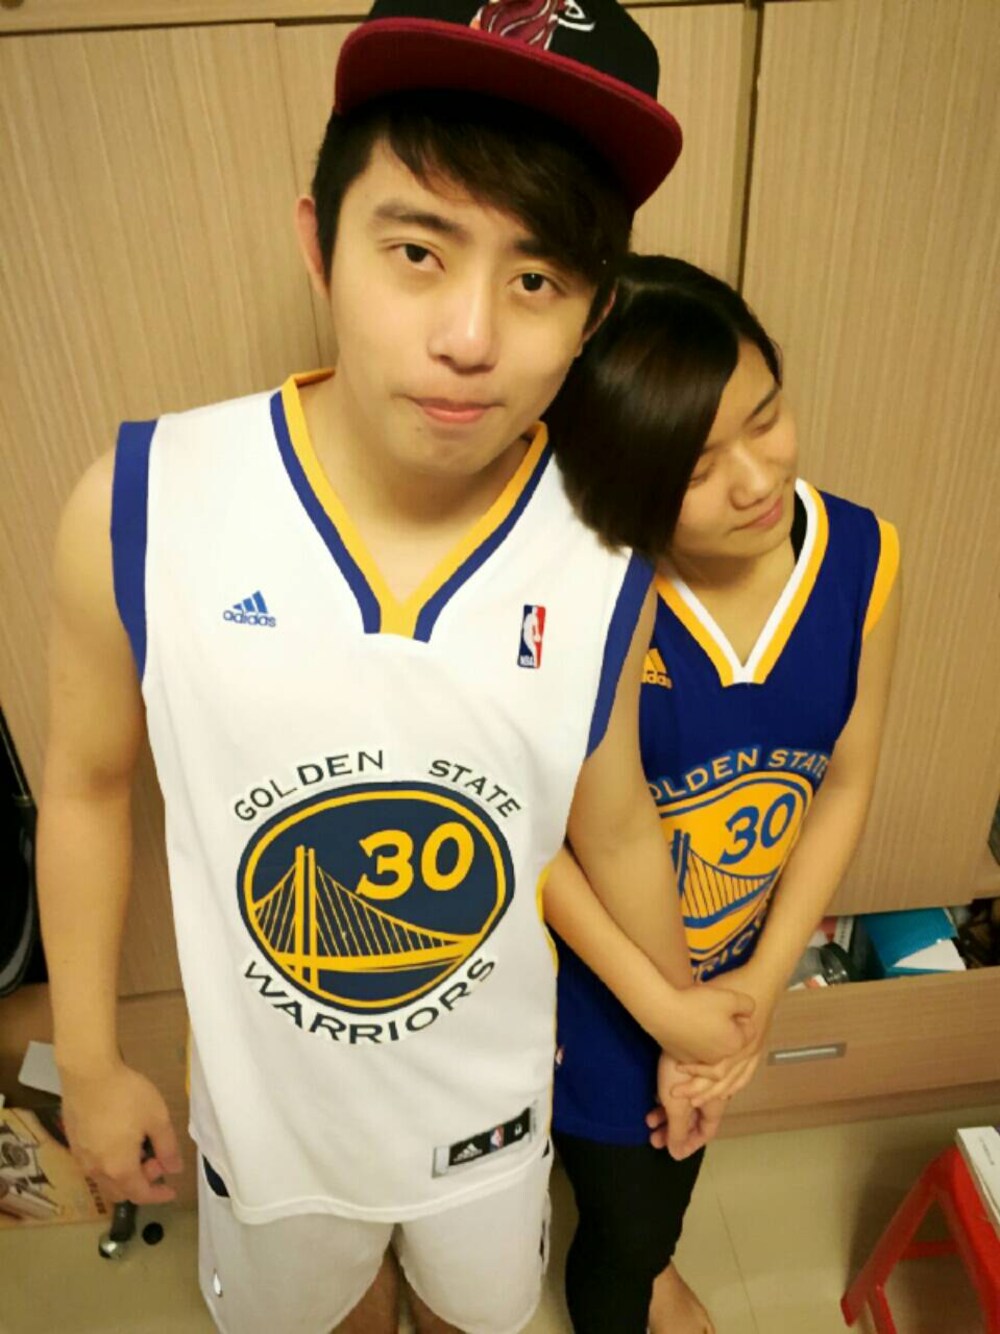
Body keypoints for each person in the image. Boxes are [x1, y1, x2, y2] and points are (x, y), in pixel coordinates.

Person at [35, 13, 755, 1334]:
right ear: (320, 240)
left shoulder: (605, 555)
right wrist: (87, 1061)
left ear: (594, 309)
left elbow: (609, 816)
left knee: (474, 1311)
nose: (469, 336)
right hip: (269, 1125)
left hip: (489, 1114)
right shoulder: (141, 502)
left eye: (536, 278)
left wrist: (679, 1015)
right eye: (418, 251)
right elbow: (82, 786)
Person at [544, 254, 902, 1334]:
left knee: (662, 1194)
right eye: (697, 467)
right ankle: (641, 1274)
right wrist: (675, 1017)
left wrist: (756, 990)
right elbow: (547, 838)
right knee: (624, 1217)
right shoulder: (589, 590)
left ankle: (653, 1266)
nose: (756, 480)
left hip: (728, 975)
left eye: (767, 416)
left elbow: (844, 779)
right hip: (595, 986)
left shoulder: (861, 553)